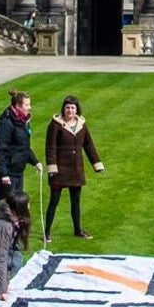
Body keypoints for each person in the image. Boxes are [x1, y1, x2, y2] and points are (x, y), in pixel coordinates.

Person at [43, 95, 104, 243]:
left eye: (72, 107)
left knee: (75, 201)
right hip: (59, 170)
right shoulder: (55, 124)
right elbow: (50, 147)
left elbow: (89, 145)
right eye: (67, 107)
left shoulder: (82, 124)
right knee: (54, 201)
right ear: (63, 108)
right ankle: (47, 232)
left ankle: (78, 230)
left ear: (77, 109)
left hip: (76, 170)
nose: (70, 110)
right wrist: (52, 168)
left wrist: (97, 164)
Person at [0, 89, 40, 204]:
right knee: (5, 206)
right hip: (7, 170)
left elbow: (23, 147)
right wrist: (3, 174)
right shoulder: (6, 123)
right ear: (17, 106)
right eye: (27, 105)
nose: (30, 107)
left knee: (17, 204)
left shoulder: (23, 121)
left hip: (17, 169)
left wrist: (35, 162)